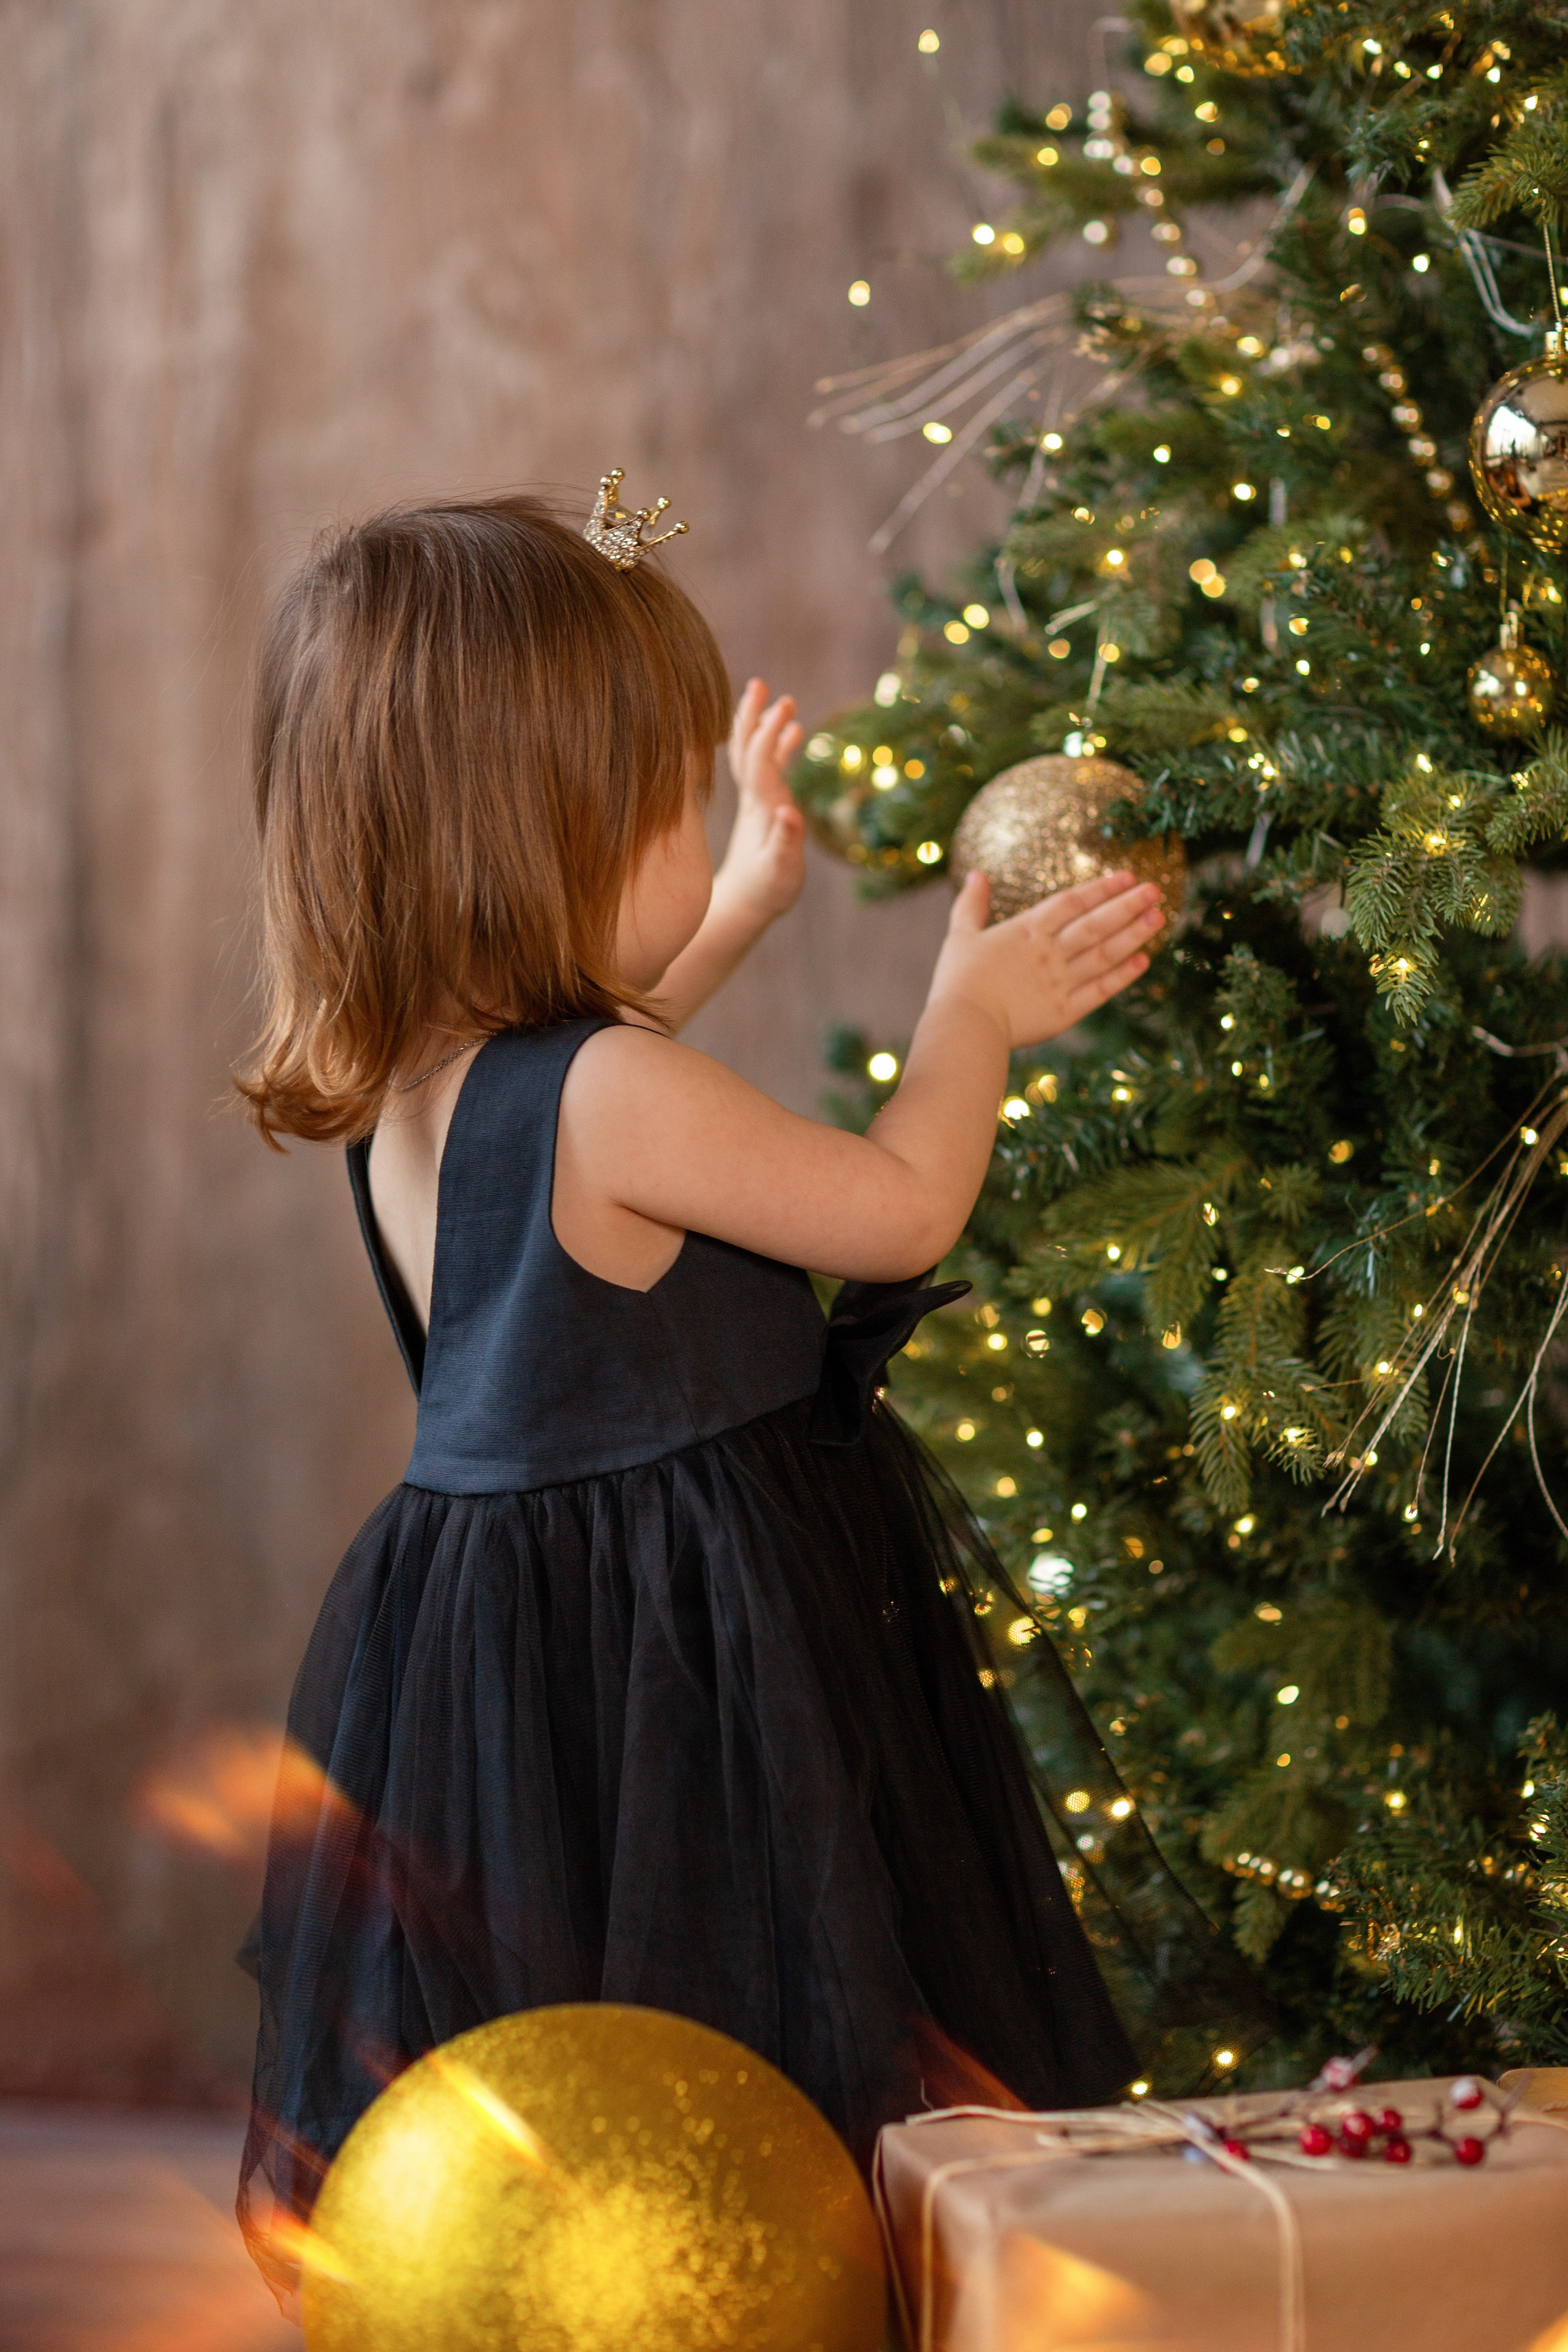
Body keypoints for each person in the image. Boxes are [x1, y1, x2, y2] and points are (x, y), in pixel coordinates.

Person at [232, 486, 1175, 2307]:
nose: (697, 823)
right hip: (699, 1664)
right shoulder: (616, 1100)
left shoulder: (416, 1089)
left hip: (511, 1670)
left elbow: (610, 1046)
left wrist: (735, 899)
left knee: (608, 2052)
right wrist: (970, 1015)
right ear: (552, 834)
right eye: (673, 803)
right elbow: (898, 1208)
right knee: (784, 2016)